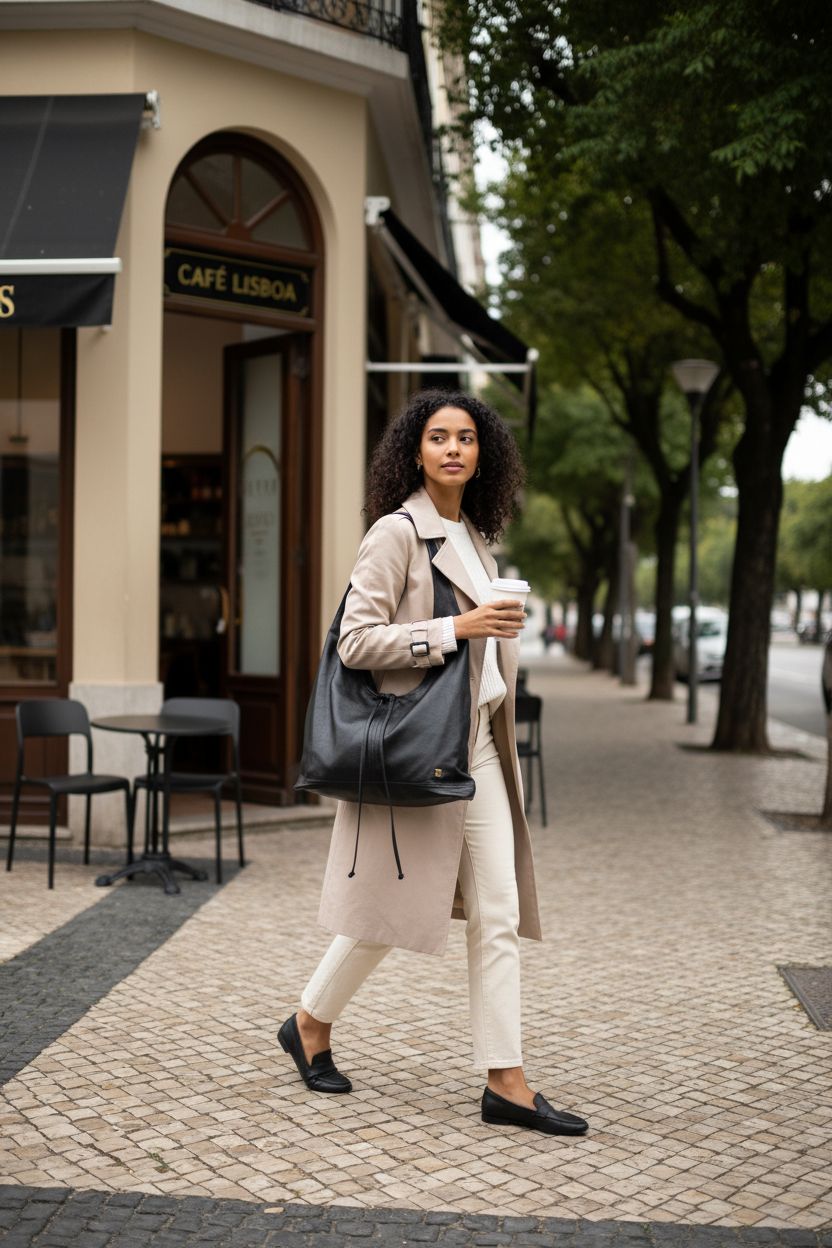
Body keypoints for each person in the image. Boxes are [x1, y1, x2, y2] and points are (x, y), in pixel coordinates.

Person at [279, 389, 588, 1137]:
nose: (454, 448)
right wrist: (456, 626)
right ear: (416, 451)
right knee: (389, 911)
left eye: (467, 438)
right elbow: (356, 642)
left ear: (484, 455)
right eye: (439, 437)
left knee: (498, 911)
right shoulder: (396, 533)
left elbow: (487, 643)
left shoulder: (477, 538)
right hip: (416, 745)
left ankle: (505, 1080)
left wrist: (495, 630)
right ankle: (309, 1022)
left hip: (477, 741)